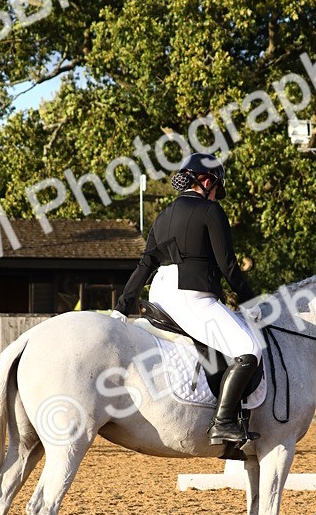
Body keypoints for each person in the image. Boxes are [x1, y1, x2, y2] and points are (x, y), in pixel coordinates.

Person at [112, 153, 261, 446]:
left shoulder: (162, 216)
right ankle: (222, 422)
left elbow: (145, 265)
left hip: (160, 295)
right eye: (216, 189)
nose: (216, 196)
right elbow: (228, 265)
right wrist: (251, 302)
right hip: (191, 295)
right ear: (206, 181)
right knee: (250, 348)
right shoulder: (210, 211)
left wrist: (121, 308)